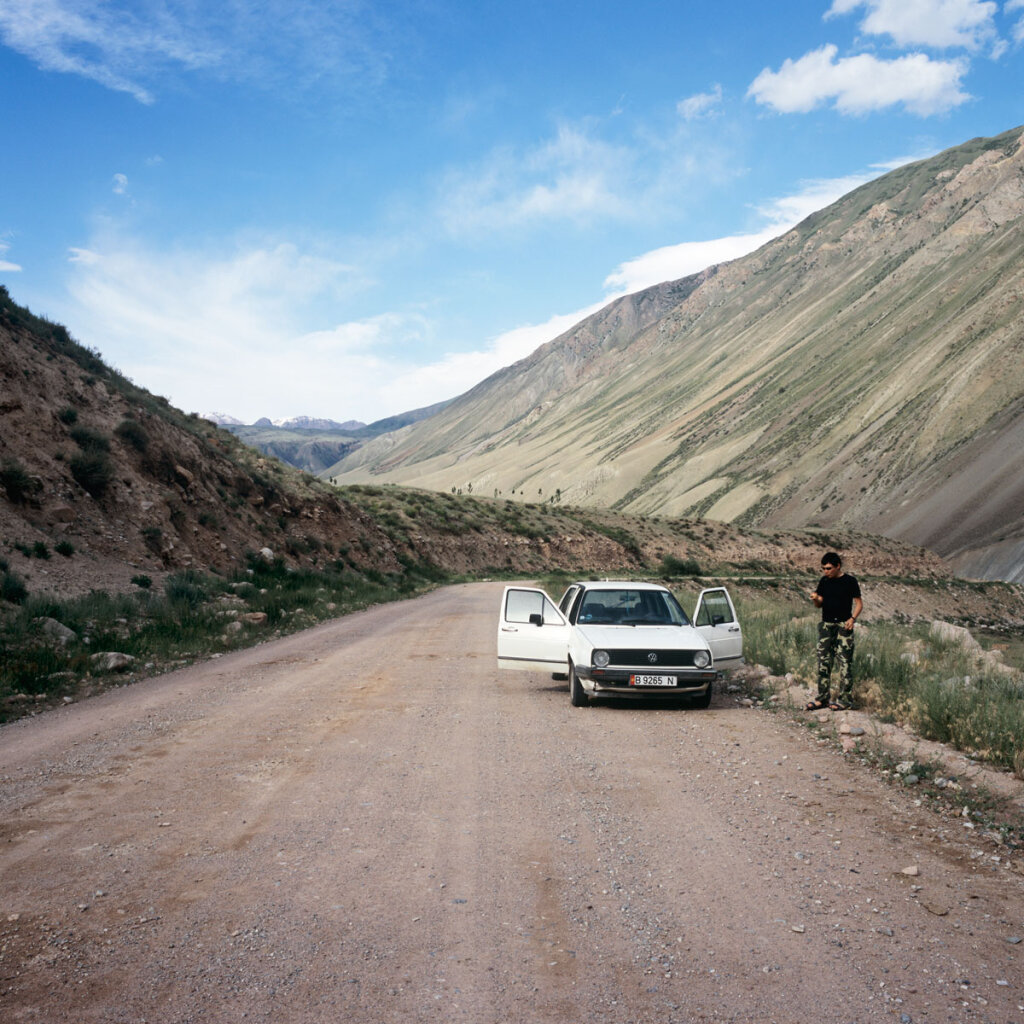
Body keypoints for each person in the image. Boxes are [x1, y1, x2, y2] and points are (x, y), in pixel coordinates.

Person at [805, 551, 862, 711]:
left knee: (844, 664)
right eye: (823, 568)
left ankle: (845, 700)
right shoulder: (824, 581)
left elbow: (859, 603)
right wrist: (816, 599)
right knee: (823, 663)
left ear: (838, 566)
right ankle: (822, 698)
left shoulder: (850, 581)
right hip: (826, 626)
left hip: (844, 626)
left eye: (829, 568)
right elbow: (819, 604)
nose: (826, 571)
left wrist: (852, 619)